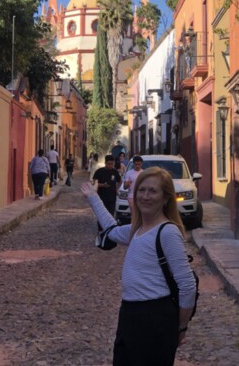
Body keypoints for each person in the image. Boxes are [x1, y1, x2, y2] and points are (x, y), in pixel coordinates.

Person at [81, 167, 197, 366]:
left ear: (166, 198)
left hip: (155, 318)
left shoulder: (167, 232)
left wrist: (181, 328)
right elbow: (111, 230)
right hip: (129, 315)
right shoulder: (138, 230)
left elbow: (187, 285)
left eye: (153, 191)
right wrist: (93, 197)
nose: (145, 196)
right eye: (141, 190)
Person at [92, 154, 121, 229]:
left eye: (112, 164)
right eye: (109, 164)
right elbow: (94, 184)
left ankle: (109, 231)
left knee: (110, 215)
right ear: (105, 163)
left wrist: (117, 188)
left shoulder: (115, 172)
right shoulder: (99, 172)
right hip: (101, 197)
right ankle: (100, 231)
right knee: (101, 215)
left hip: (112, 198)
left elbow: (120, 181)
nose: (111, 165)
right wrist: (102, 185)